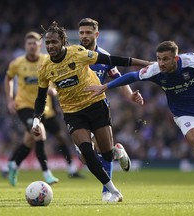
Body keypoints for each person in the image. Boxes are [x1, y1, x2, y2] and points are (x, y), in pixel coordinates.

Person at [85, 40, 194, 200]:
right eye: (158, 59)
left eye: (165, 59)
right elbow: (131, 76)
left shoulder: (191, 61)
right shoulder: (154, 70)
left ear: (176, 59)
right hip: (184, 114)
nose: (161, 63)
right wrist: (106, 87)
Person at [32, 21, 151, 202]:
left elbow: (114, 68)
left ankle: (116, 153)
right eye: (47, 43)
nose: (50, 46)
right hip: (73, 113)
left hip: (96, 105)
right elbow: (41, 98)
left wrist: (143, 68)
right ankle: (112, 191)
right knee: (86, 152)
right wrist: (36, 120)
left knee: (106, 154)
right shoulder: (46, 67)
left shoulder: (82, 54)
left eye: (54, 42)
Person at [4, 31, 82, 187]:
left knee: (33, 140)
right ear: (25, 46)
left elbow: (54, 76)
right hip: (25, 106)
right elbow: (8, 78)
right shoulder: (17, 63)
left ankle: (13, 164)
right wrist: (10, 99)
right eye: (29, 43)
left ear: (40, 46)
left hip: (46, 108)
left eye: (35, 43)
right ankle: (47, 173)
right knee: (39, 133)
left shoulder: (46, 60)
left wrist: (53, 88)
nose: (32, 46)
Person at [77, 17, 142, 201]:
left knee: (102, 152)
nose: (84, 36)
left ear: (96, 34)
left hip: (98, 108)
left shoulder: (104, 57)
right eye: (81, 32)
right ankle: (118, 152)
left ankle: (107, 192)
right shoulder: (72, 55)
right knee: (85, 158)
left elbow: (118, 78)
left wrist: (129, 95)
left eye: (88, 32)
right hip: (76, 111)